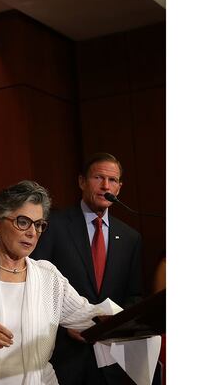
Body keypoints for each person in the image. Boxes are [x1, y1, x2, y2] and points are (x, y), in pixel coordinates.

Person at [0, 181, 116, 385]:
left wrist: (133, 321)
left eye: (38, 225)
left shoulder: (48, 275)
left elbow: (88, 316)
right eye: (23, 222)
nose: (32, 232)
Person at [31, 153, 143, 385]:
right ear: (82, 181)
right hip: (64, 355)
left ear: (119, 188)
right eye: (98, 178)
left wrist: (116, 326)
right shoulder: (53, 225)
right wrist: (65, 326)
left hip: (113, 360)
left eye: (112, 180)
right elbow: (35, 285)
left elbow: (134, 296)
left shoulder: (131, 238)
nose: (105, 186)